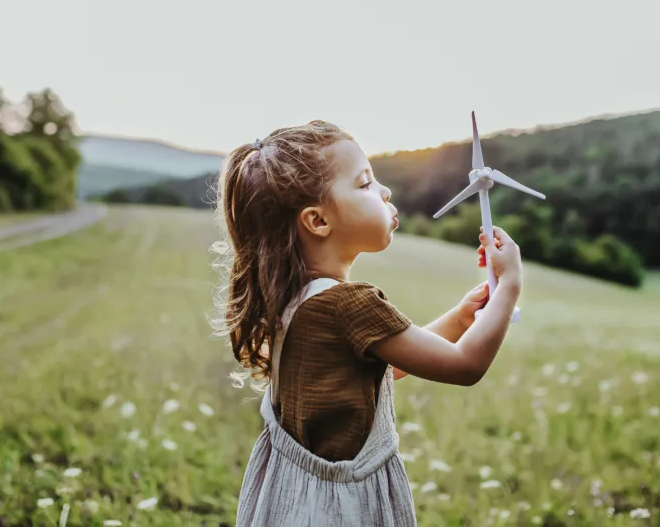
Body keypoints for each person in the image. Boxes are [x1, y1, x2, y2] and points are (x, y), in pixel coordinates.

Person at [209, 120, 523, 527]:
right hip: (341, 510)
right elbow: (464, 366)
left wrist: (463, 317)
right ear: (318, 221)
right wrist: (510, 286)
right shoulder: (350, 304)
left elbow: (382, 369)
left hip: (294, 501)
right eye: (364, 183)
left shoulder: (296, 298)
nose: (385, 191)